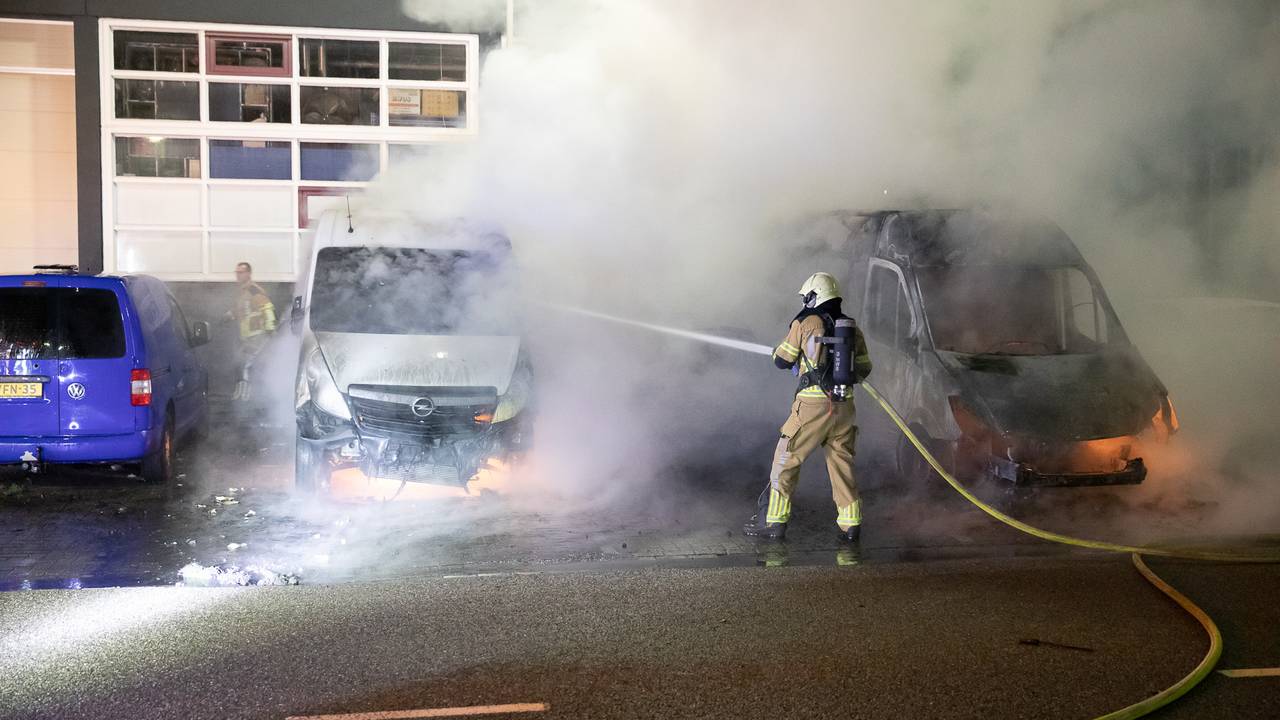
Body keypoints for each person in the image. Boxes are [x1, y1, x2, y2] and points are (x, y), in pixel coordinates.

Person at [743, 272, 873, 542]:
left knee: (786, 460)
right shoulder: (850, 327)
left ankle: (773, 522)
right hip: (844, 407)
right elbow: (864, 368)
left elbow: (782, 359)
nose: (805, 301)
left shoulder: (806, 322)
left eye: (807, 297)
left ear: (814, 296)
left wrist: (792, 360)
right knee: (842, 465)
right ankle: (851, 526)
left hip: (812, 407)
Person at [227, 262, 277, 401]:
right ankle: (243, 393)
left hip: (258, 335)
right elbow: (241, 310)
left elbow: (267, 308)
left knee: (245, 363)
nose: (238, 275)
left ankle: (245, 396)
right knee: (241, 362)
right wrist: (229, 315)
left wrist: (270, 328)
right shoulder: (242, 292)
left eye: (241, 272)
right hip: (247, 336)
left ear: (248, 273)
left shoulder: (254, 290)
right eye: (237, 272)